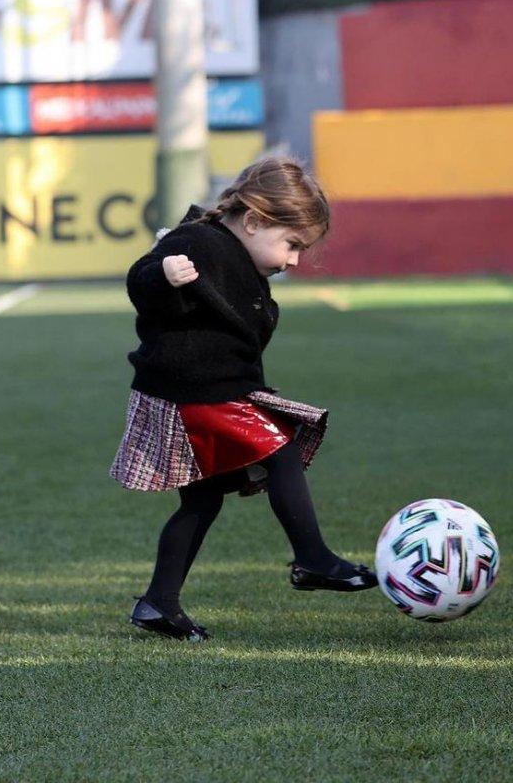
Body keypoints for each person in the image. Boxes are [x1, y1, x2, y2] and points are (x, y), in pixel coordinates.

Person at [111, 155, 377, 641]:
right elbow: (141, 278)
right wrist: (163, 274)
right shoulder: (198, 243)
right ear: (253, 221)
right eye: (292, 244)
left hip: (209, 389)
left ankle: (158, 603)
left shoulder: (236, 253)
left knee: (201, 501)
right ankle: (313, 559)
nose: (294, 260)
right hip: (193, 391)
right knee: (279, 447)